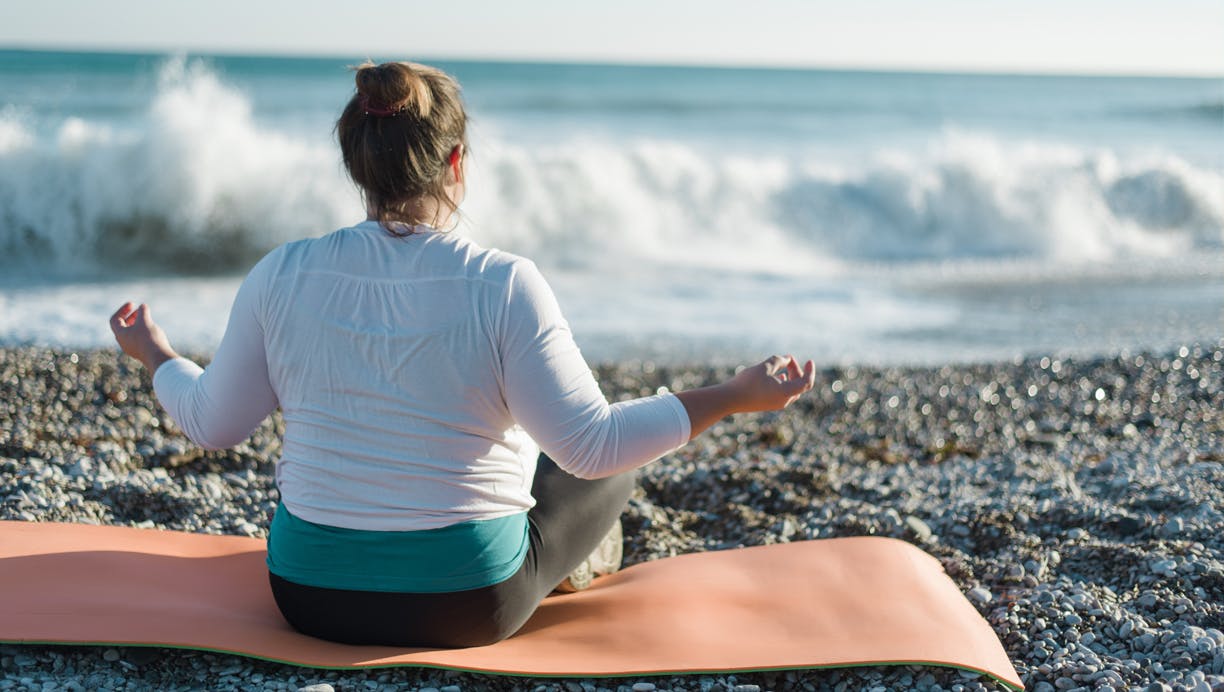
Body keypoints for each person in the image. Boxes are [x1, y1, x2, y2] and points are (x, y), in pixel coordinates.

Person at [109, 60, 816, 648]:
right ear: (455, 162)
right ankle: (574, 563)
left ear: (356, 164)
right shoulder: (504, 283)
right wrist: (734, 394)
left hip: (310, 597)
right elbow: (595, 447)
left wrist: (156, 353)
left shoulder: (281, 274)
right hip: (467, 604)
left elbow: (211, 423)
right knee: (609, 470)